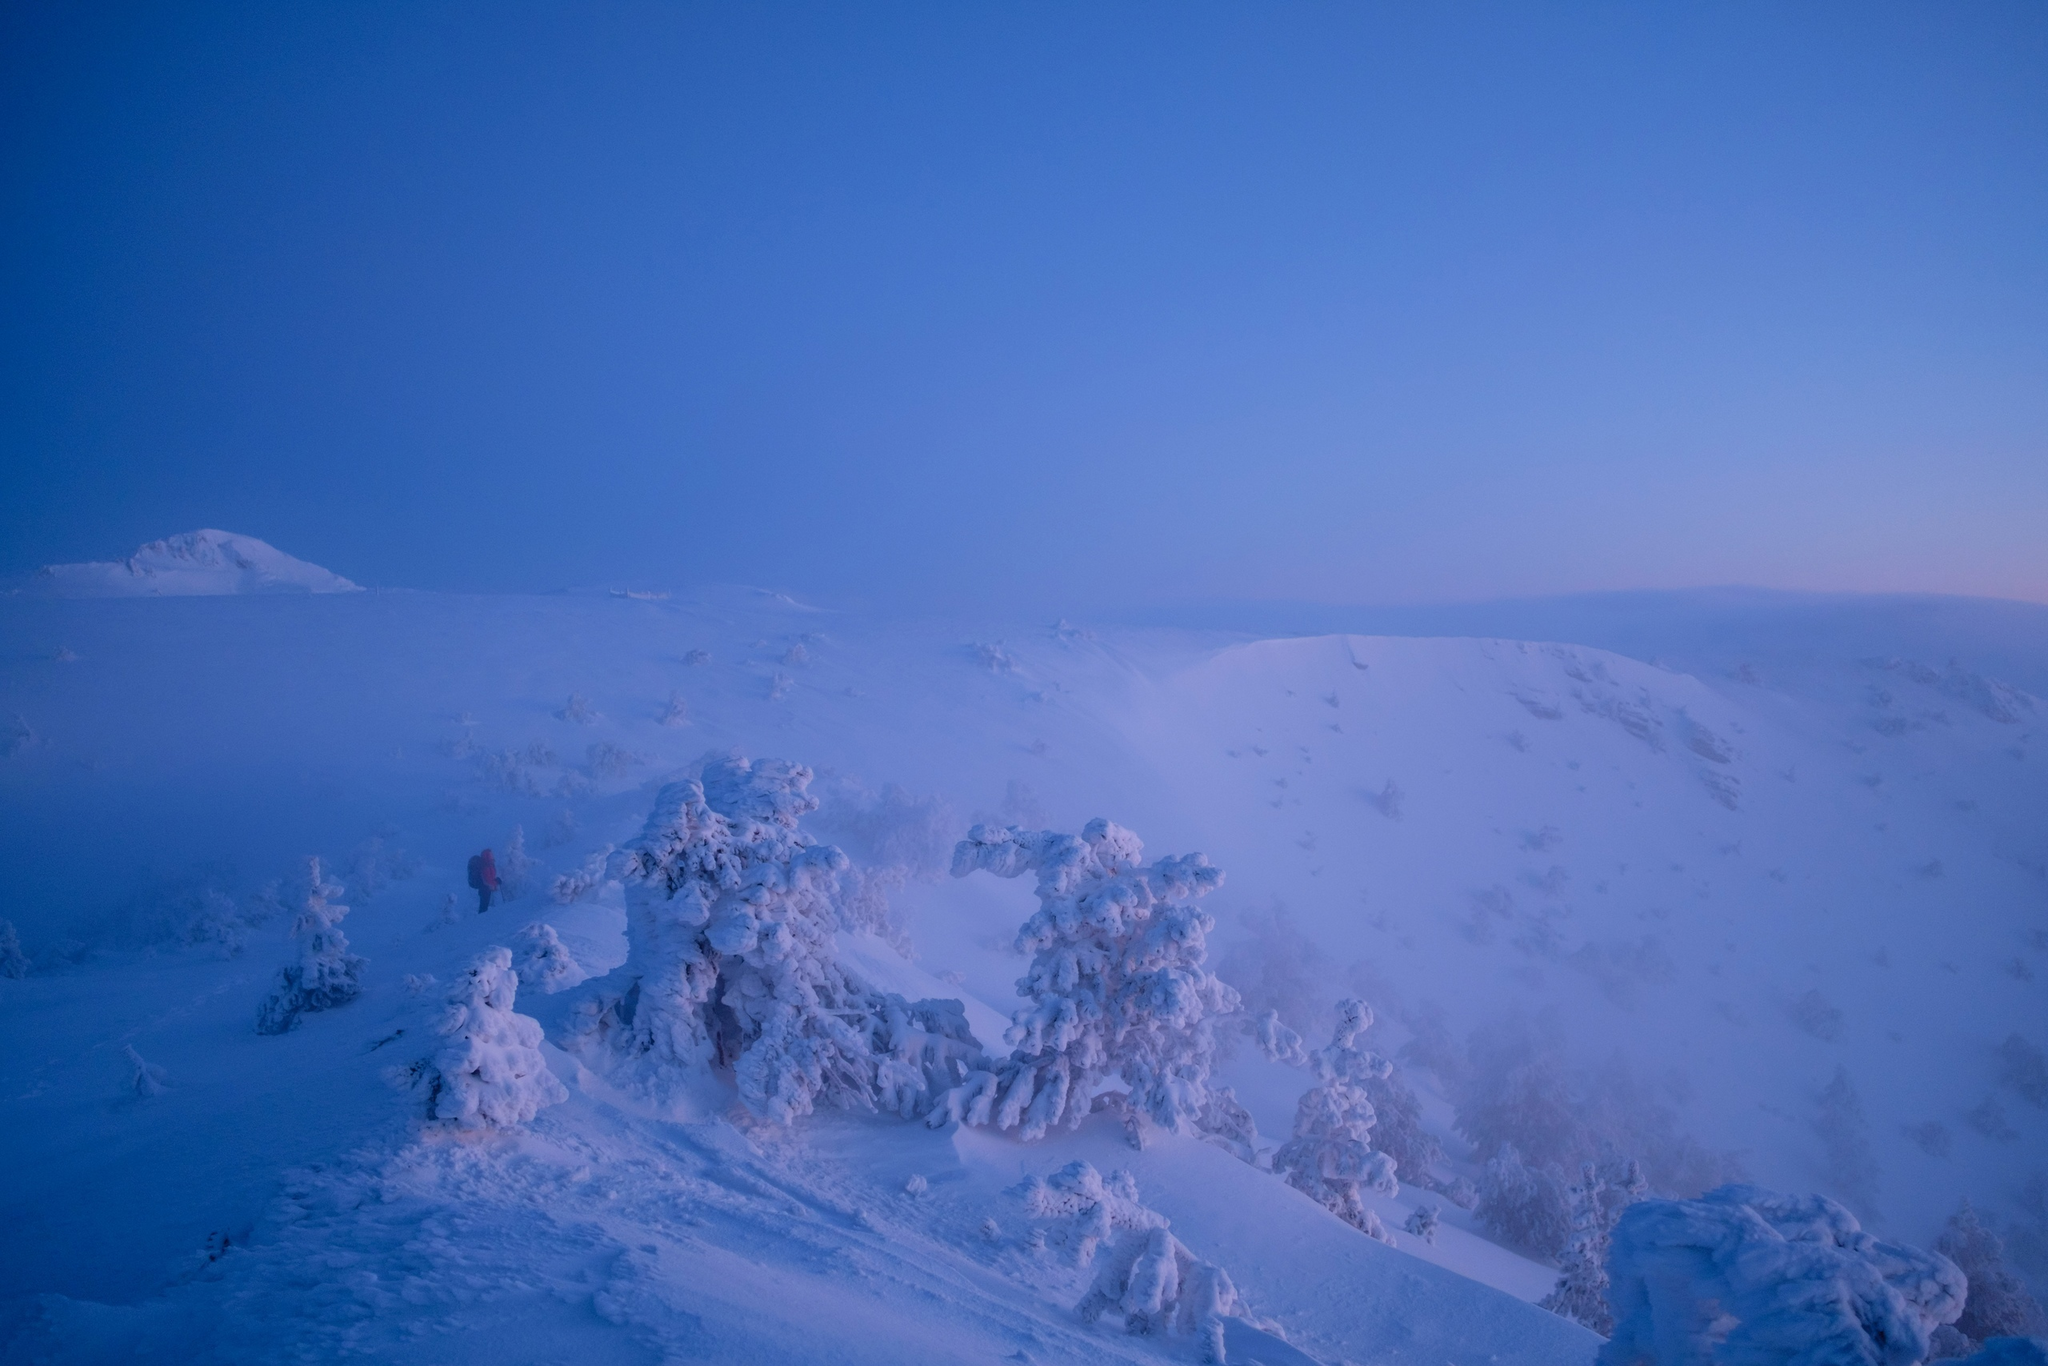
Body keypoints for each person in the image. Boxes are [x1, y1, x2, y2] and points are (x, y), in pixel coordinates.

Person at [467, 847, 499, 914]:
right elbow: (487, 881)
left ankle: (482, 919)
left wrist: (494, 882)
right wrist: (496, 882)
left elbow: (489, 878)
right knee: (484, 907)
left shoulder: (487, 865)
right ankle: (482, 921)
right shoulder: (485, 866)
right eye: (491, 855)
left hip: (484, 889)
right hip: (485, 889)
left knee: (484, 906)